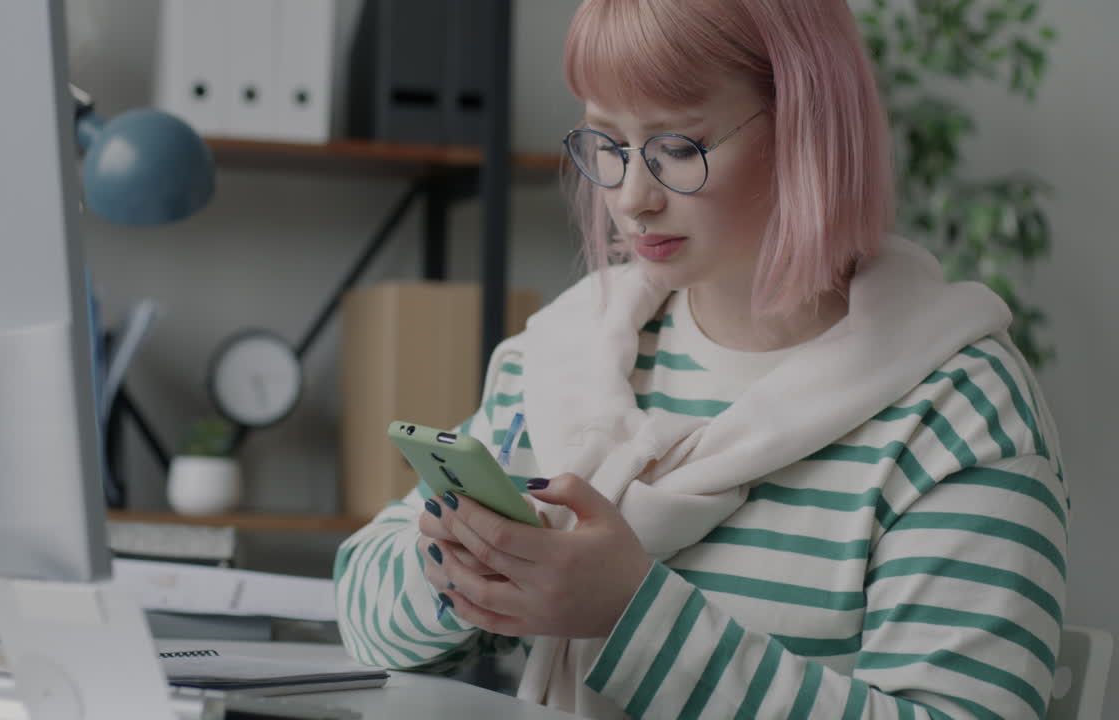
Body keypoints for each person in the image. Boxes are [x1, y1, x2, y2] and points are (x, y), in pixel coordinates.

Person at [334, 1, 1067, 718]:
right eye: (607, 145)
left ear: (806, 128)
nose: (631, 198)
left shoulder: (958, 413)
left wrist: (632, 617)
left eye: (678, 148)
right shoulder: (568, 359)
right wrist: (459, 569)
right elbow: (364, 612)